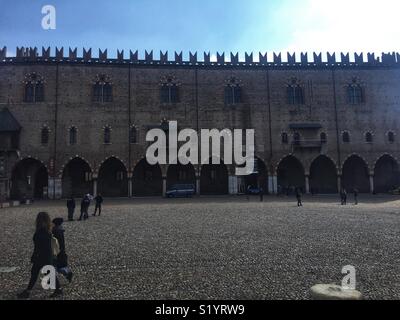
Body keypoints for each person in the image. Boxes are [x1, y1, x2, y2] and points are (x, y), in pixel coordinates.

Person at [17, 212, 62, 299]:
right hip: (47, 256)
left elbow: (38, 247)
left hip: (41, 257)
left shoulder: (41, 232)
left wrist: (34, 256)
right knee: (47, 273)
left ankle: (27, 292)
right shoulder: (48, 230)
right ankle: (58, 289)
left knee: (35, 274)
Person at [52, 218, 73, 283]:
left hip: (57, 250)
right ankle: (67, 273)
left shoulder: (55, 230)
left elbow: (55, 241)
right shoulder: (60, 230)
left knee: (58, 266)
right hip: (60, 250)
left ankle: (68, 273)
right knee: (58, 266)